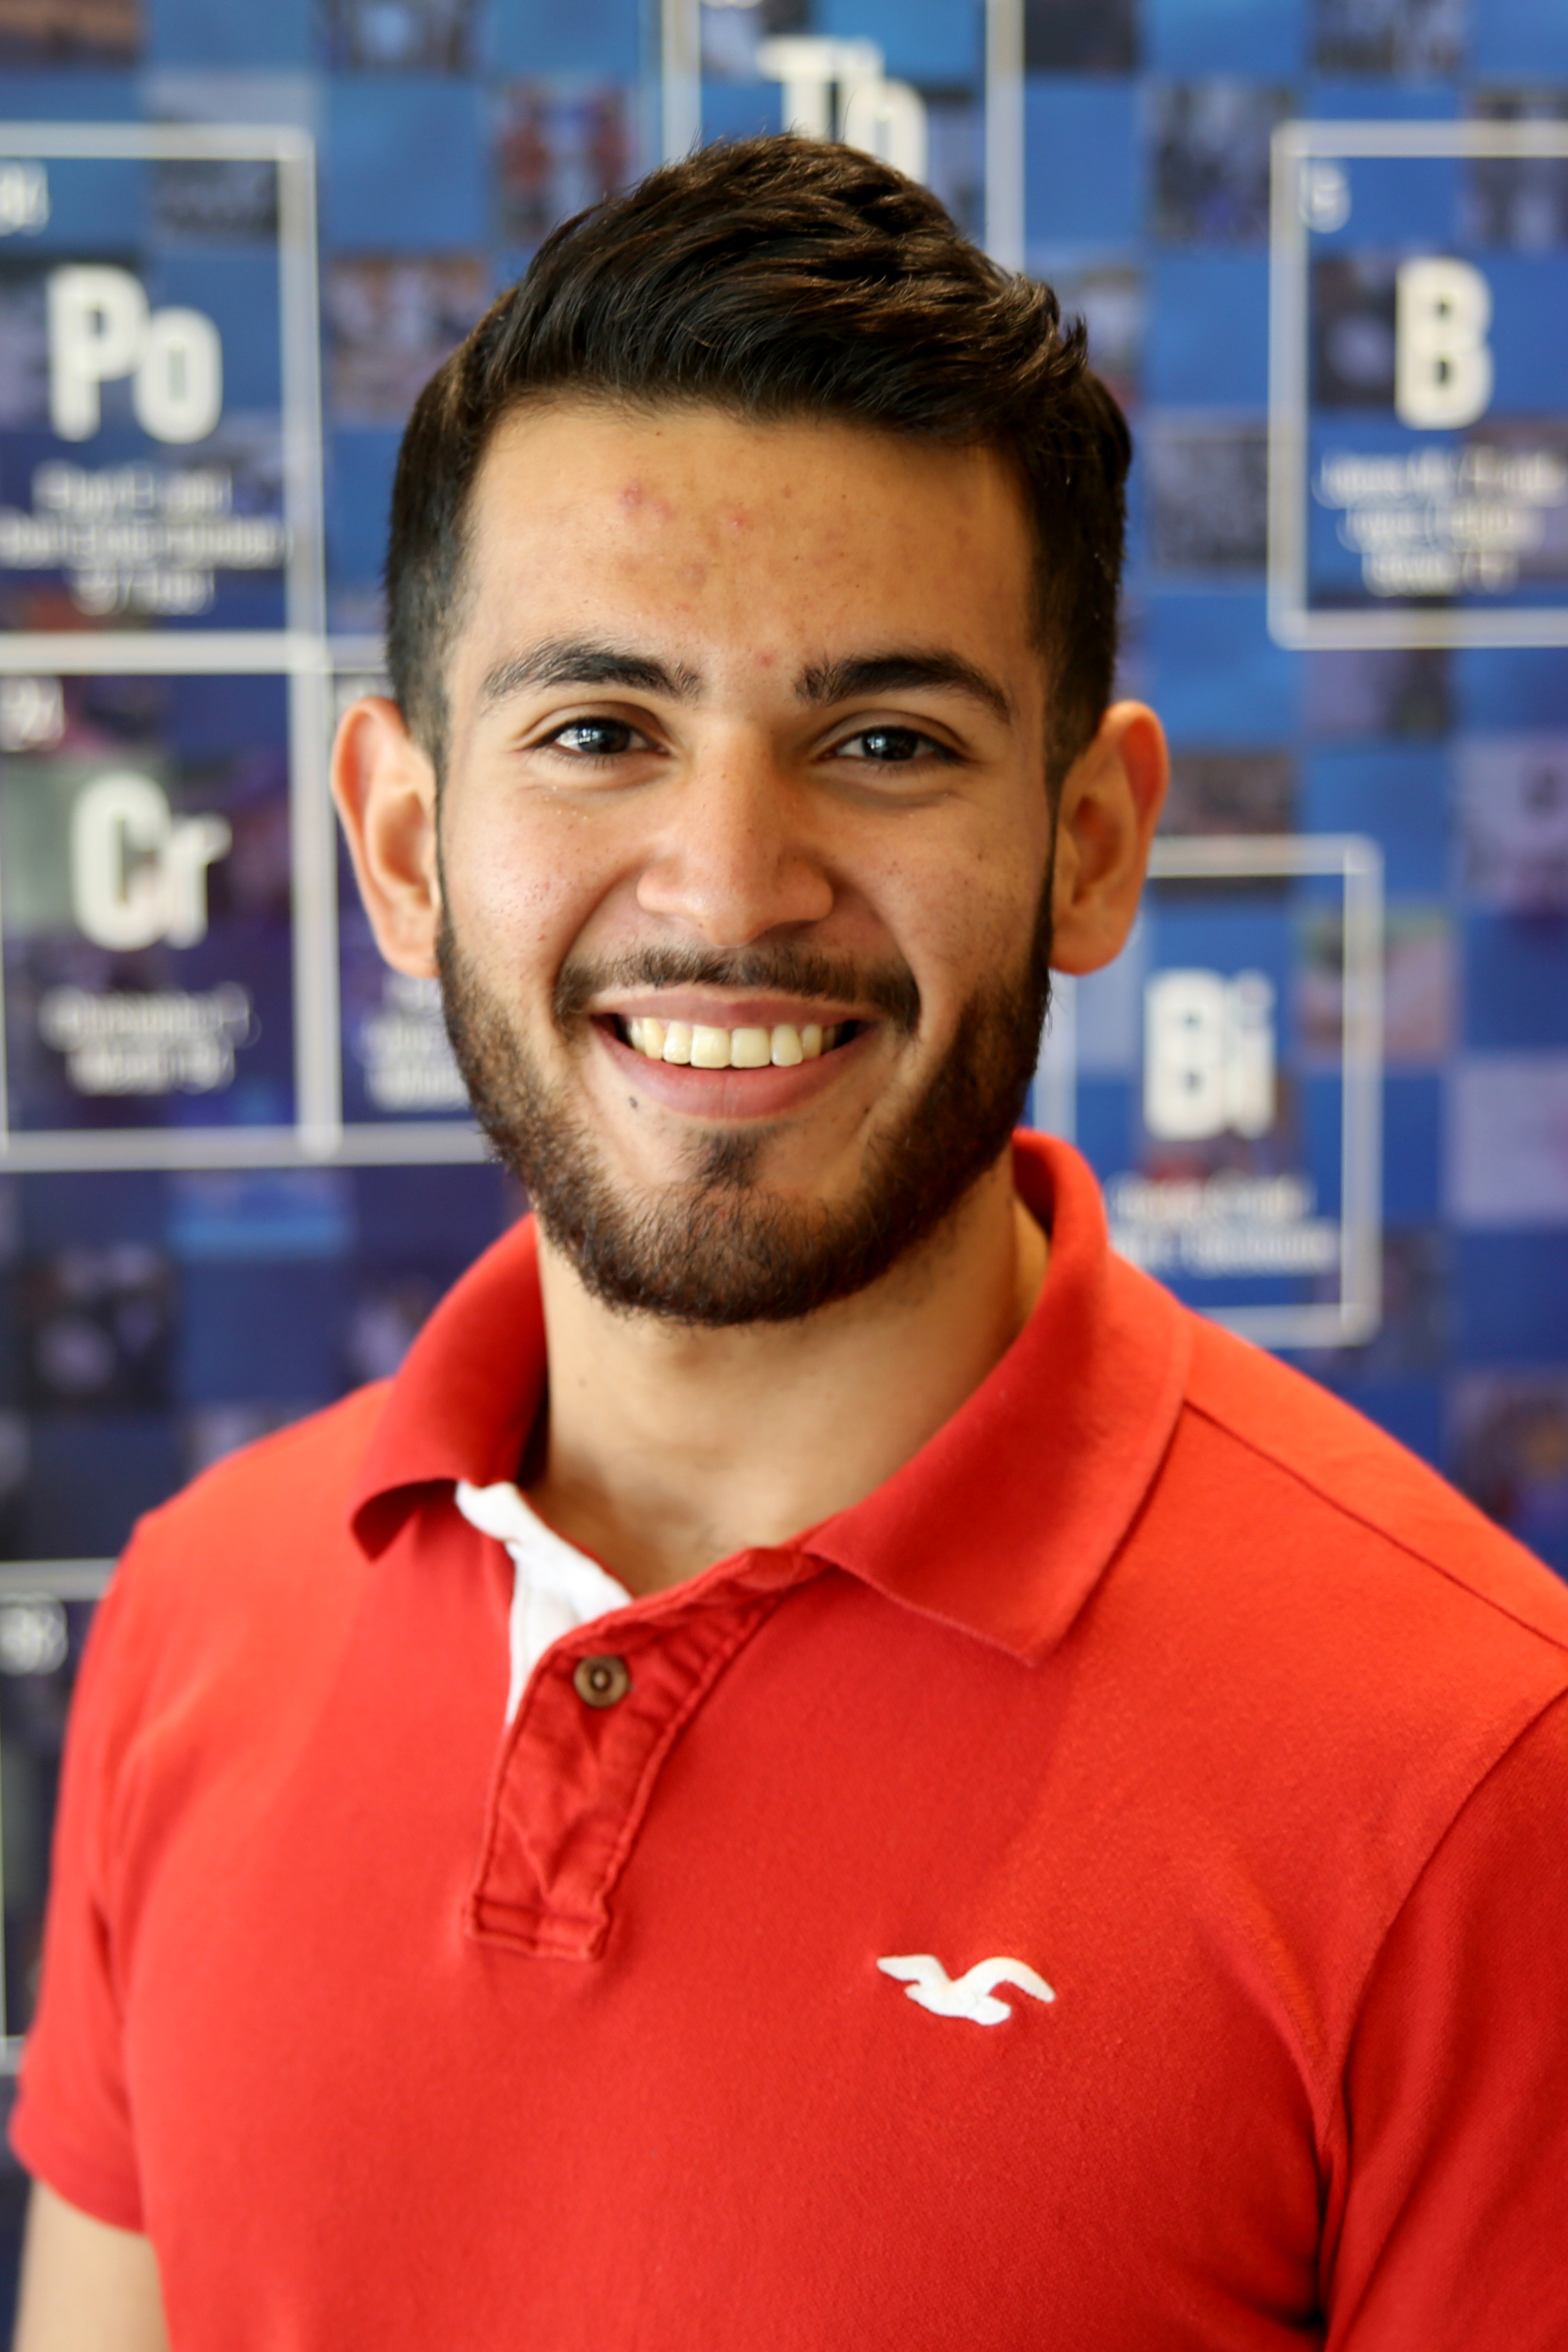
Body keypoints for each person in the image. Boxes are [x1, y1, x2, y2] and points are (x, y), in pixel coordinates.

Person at [10, 136, 1568, 2352]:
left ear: (1094, 843)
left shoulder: (1478, 1770)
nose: (731, 881)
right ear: (400, 840)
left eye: (881, 736)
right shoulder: (196, 1613)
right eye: (596, 729)